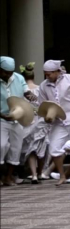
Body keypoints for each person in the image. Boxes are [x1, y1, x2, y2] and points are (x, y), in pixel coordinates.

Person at [0, 56, 37, 186]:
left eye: (10, 73)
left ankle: (8, 177)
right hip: (2, 119)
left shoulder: (19, 78)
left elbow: (26, 91)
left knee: (16, 149)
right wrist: (3, 116)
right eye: (5, 72)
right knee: (1, 145)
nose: (8, 75)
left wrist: (30, 96)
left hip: (17, 119)